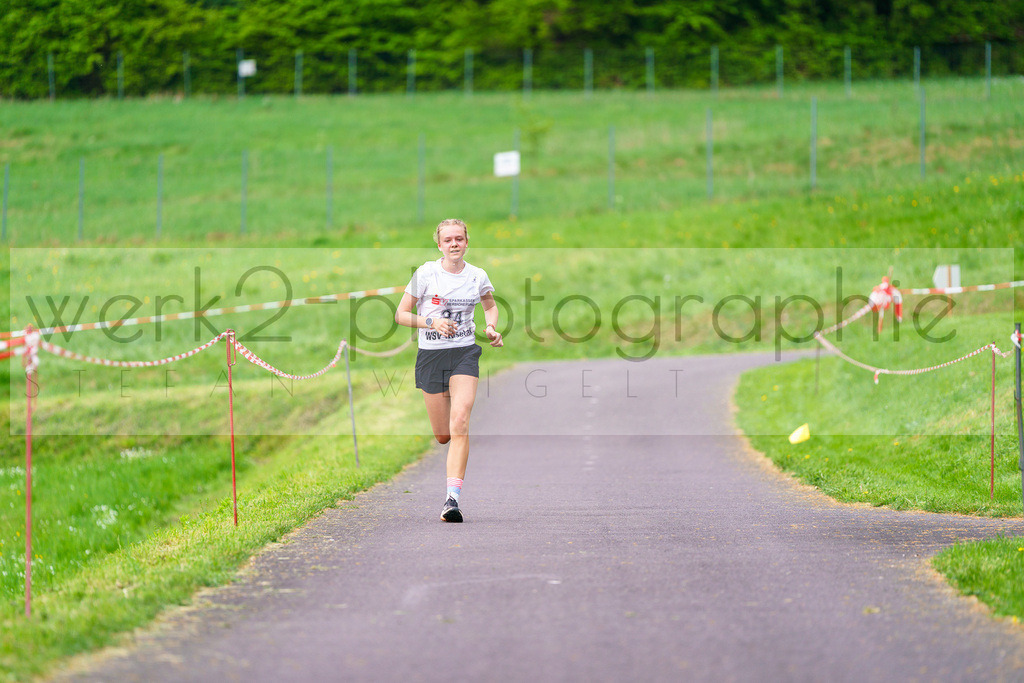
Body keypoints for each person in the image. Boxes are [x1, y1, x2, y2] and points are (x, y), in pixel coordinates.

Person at [395, 218, 503, 522]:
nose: (454, 244)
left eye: (459, 239)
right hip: (431, 356)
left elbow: (489, 305)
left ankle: (451, 500)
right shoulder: (426, 273)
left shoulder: (477, 276)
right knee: (443, 434)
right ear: (439, 244)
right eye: (448, 240)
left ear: (467, 242)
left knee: (460, 421)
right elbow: (400, 314)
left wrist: (491, 326)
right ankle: (450, 484)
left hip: (464, 353)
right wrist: (431, 322)